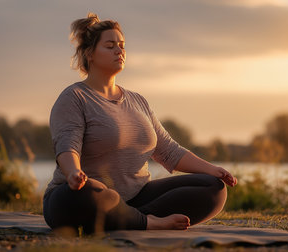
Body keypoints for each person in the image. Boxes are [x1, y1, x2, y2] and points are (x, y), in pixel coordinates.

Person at [43, 12, 238, 234]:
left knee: (213, 188)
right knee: (91, 192)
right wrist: (73, 173)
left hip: (136, 196)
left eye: (122, 45)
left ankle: (124, 219)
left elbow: (169, 151)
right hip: (77, 195)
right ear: (90, 54)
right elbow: (67, 145)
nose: (119, 51)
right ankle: (148, 223)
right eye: (110, 46)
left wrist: (213, 170)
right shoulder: (75, 97)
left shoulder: (138, 101)